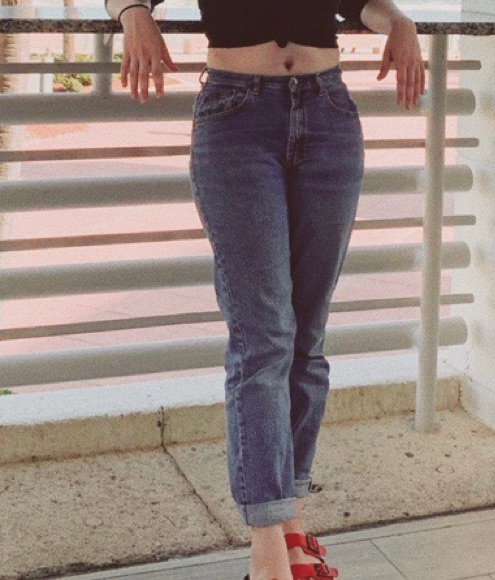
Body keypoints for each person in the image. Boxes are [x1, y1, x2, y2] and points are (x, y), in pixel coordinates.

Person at [105, 0, 425, 578]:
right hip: (236, 117)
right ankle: (267, 552)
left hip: (328, 113)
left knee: (307, 338)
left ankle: (293, 524)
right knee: (263, 338)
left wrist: (399, 22)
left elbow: (360, 3)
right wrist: (132, 14)